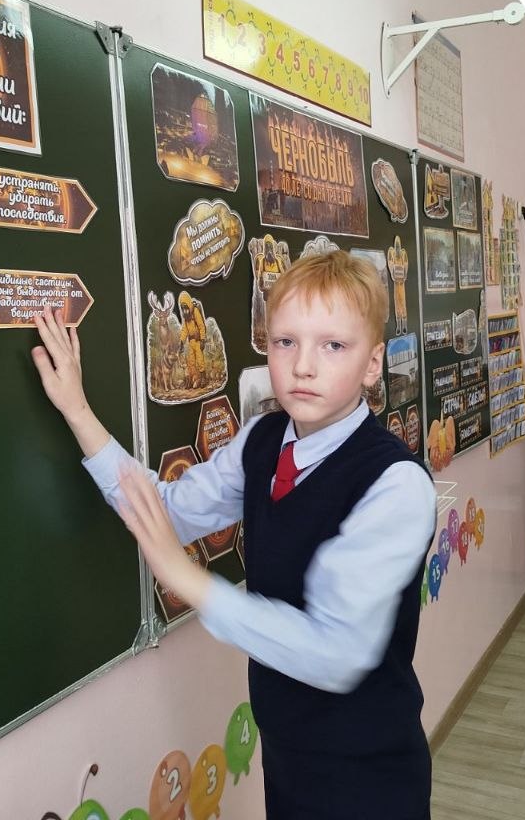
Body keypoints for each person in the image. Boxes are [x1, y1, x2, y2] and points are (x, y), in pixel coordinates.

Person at [31, 251, 436, 819]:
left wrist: (190, 581)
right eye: (285, 342)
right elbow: (164, 510)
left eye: (333, 346)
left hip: (367, 772)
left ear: (373, 364)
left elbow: (336, 652)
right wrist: (77, 410)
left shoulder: (395, 485)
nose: (303, 366)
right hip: (287, 751)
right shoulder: (263, 440)